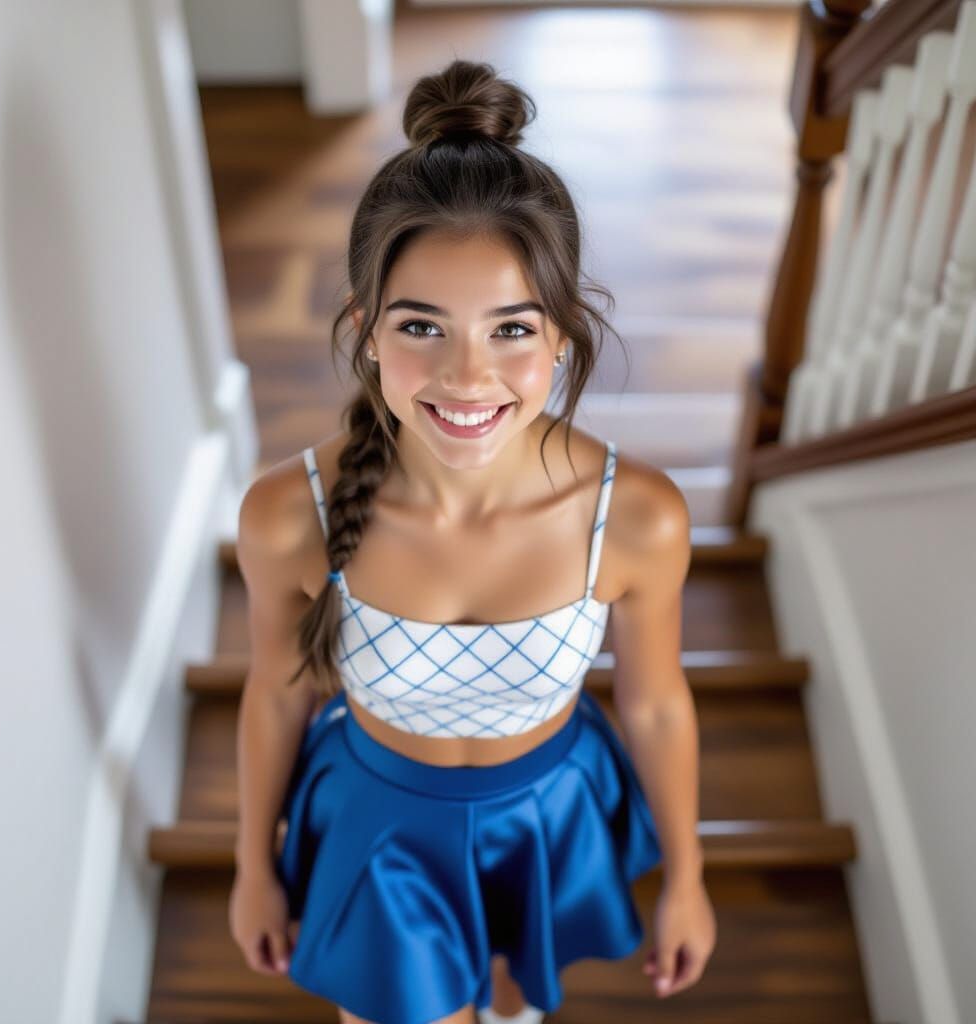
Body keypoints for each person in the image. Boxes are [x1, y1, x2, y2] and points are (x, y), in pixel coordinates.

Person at [228, 58, 715, 1024]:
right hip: (379, 824)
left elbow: (657, 703)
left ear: (562, 337)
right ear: (366, 330)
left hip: (551, 811)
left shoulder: (639, 516)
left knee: (516, 1004)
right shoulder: (290, 515)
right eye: (423, 326)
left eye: (510, 329)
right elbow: (276, 690)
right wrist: (251, 865)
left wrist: (691, 876)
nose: (466, 377)